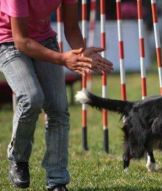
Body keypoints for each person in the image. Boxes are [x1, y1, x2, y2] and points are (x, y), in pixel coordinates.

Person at [0, 0, 113, 190]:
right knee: (31, 98)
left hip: (44, 40)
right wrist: (62, 59)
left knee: (59, 108)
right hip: (9, 42)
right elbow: (22, 41)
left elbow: (71, 27)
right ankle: (18, 158)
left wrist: (82, 53)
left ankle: (57, 180)